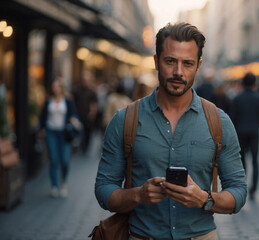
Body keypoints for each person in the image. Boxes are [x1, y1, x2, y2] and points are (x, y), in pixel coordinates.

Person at [95, 22, 247, 240]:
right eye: (170, 61)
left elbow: (239, 192)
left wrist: (203, 199)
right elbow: (103, 189)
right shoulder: (125, 120)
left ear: (198, 66)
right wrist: (138, 194)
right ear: (156, 61)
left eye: (187, 63)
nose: (178, 72)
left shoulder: (219, 122)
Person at [38, 79, 81, 198]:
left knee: (65, 160)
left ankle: (64, 183)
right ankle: (54, 186)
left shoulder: (68, 100)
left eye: (58, 86)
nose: (55, 89)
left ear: (62, 88)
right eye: (53, 86)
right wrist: (41, 129)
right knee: (53, 160)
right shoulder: (48, 100)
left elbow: (74, 114)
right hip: (51, 132)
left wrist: (75, 120)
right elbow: (42, 116)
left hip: (64, 133)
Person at [229, 73, 259, 199]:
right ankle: (254, 188)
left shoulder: (237, 98)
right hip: (254, 132)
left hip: (240, 133)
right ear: (254, 84)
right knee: (255, 160)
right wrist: (256, 123)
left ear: (243, 83)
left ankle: (242, 186)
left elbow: (232, 117)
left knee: (242, 160)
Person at [72, 71, 98, 154]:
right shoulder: (76, 90)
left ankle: (85, 147)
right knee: (76, 131)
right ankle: (77, 146)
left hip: (87, 115)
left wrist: (92, 113)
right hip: (78, 114)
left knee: (87, 132)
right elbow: (72, 101)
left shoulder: (92, 91)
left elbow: (94, 103)